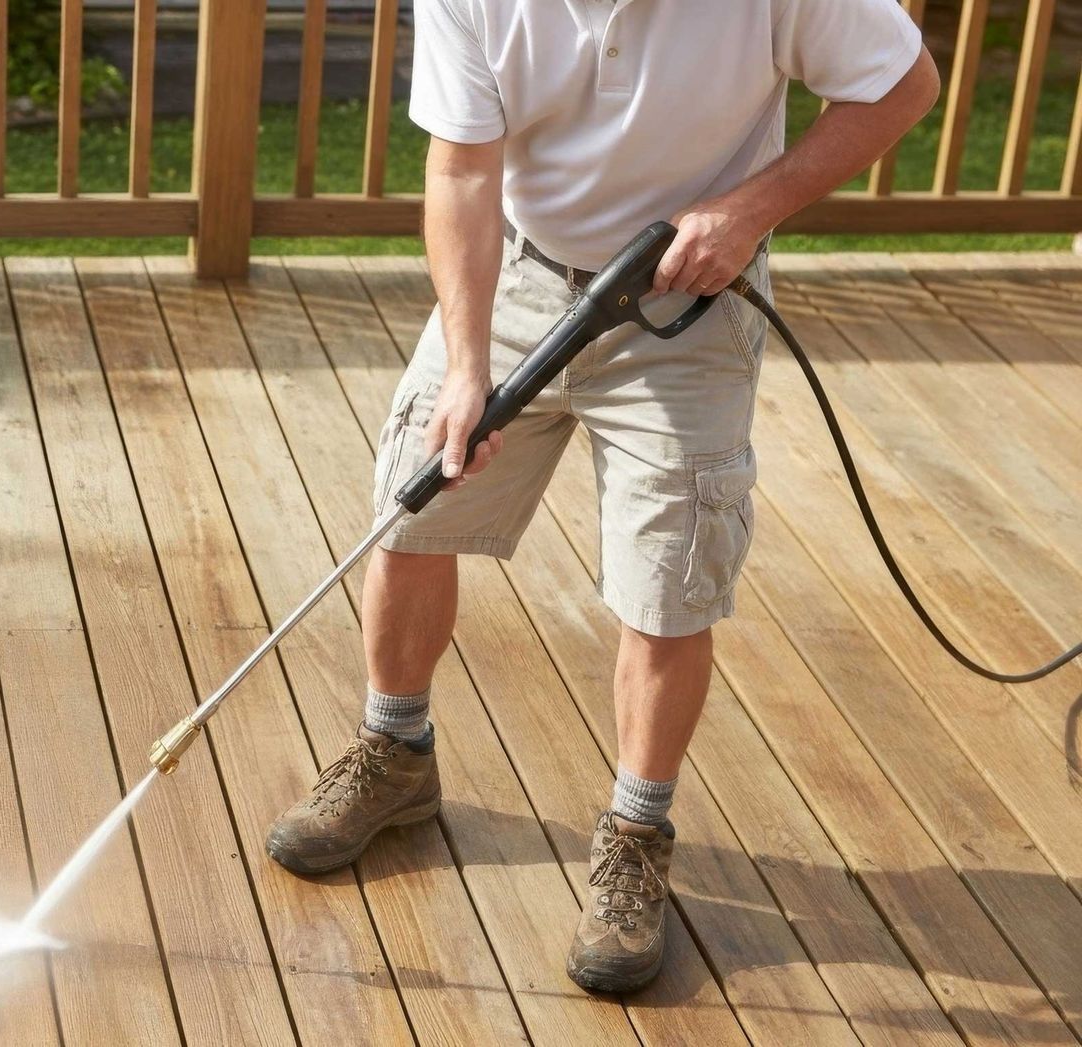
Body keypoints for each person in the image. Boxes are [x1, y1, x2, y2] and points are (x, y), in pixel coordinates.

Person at [263, 0, 939, 994]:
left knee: (668, 585)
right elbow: (460, 171)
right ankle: (395, 751)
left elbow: (903, 83)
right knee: (414, 511)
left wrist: (748, 210)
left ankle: (636, 828)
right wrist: (464, 365)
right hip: (524, 274)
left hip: (691, 307)